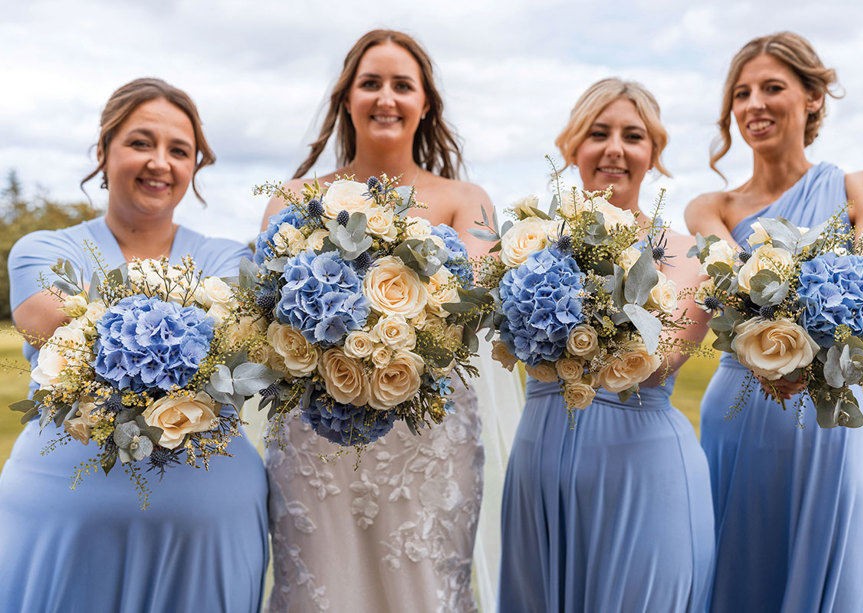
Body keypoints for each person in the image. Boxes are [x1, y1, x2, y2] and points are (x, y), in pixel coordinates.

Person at [0, 78, 269, 613]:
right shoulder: (42, 248)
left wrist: (100, 307)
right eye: (141, 143)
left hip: (211, 527)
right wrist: (188, 311)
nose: (160, 163)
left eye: (179, 150)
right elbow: (47, 318)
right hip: (63, 517)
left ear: (195, 167)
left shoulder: (228, 254)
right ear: (102, 152)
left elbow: (233, 334)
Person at [260, 30, 496, 613]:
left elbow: (465, 314)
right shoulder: (294, 199)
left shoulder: (466, 199)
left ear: (425, 104)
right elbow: (262, 315)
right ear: (347, 99)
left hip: (428, 437)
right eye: (371, 83)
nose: (385, 97)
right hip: (316, 444)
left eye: (402, 85)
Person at [684, 31, 863, 613]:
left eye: (772, 88)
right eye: (742, 93)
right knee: (739, 573)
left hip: (827, 417)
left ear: (813, 100)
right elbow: (734, 295)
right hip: (740, 409)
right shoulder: (711, 209)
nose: (754, 104)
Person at [497, 78, 715, 613]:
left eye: (633, 136)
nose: (615, 148)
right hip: (541, 456)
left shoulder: (689, 253)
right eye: (599, 132)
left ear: (653, 155)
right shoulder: (525, 243)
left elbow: (661, 356)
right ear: (573, 147)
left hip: (644, 463)